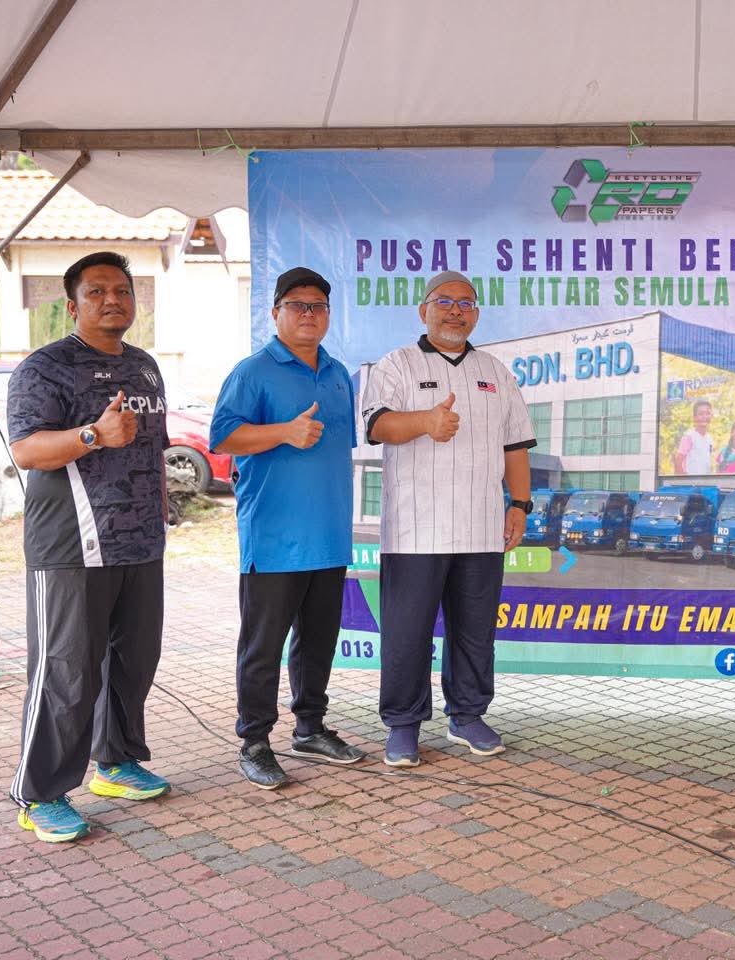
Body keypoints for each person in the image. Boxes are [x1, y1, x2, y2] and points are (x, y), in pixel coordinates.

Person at [6, 251, 171, 842]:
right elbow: (25, 450)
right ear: (73, 305)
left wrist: (159, 519)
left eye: (122, 290)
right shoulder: (44, 369)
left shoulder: (145, 367)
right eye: (97, 291)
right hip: (73, 546)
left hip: (140, 546)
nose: (112, 300)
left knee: (132, 663)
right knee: (66, 673)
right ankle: (39, 793)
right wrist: (92, 435)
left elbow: (153, 451)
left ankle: (116, 763)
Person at [361, 270, 536, 767]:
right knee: (407, 634)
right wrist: (426, 421)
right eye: (444, 301)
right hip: (415, 529)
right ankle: (403, 724)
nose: (455, 311)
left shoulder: (495, 372)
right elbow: (377, 425)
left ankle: (468, 715)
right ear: (424, 310)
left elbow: (516, 445)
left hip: (481, 527)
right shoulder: (397, 365)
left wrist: (519, 505)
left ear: (475, 314)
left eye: (466, 303)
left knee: (475, 632)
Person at [210, 267, 365, 790]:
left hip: (329, 536)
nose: (309, 314)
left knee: (318, 641)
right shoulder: (253, 372)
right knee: (263, 647)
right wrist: (284, 432)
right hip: (274, 539)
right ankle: (254, 742)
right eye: (297, 304)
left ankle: (310, 729)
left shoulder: (338, 374)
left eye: (318, 305)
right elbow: (222, 438)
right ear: (275, 312)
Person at [674, 399, 715, 474]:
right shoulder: (689, 436)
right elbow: (678, 462)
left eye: (708, 413)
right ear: (694, 417)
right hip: (691, 479)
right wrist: (684, 479)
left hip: (705, 479)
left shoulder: (710, 439)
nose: (705, 416)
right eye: (701, 414)